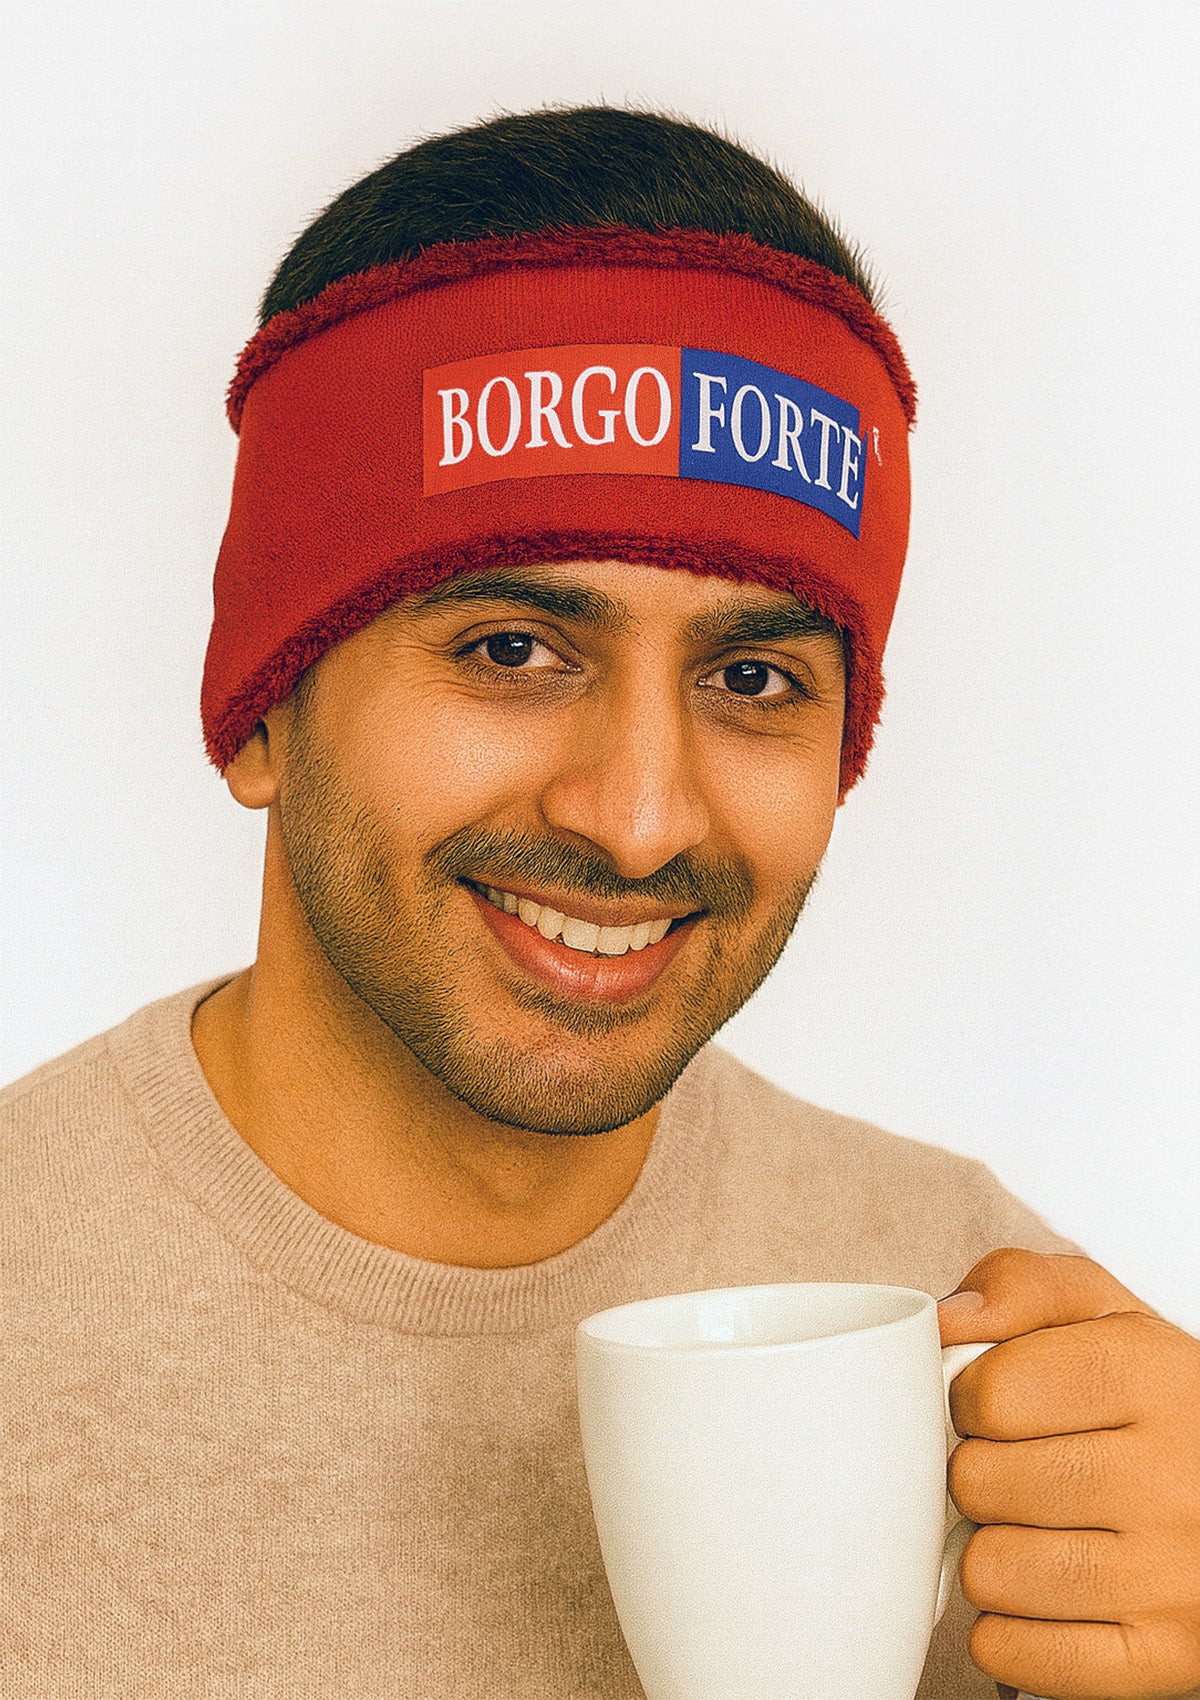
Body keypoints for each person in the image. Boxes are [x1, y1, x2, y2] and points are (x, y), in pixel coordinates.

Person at [2, 106, 1196, 1700]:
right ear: (264, 707)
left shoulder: (997, 1342)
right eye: (512, 650)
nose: (638, 822)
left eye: (754, 678)